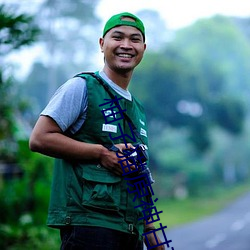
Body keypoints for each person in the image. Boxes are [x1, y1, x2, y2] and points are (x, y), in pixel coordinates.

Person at [29, 12, 164, 250]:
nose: (126, 45)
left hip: (131, 231)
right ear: (102, 44)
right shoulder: (81, 87)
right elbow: (40, 138)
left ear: (143, 48)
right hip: (89, 228)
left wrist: (152, 234)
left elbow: (138, 173)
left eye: (134, 39)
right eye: (118, 37)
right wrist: (102, 154)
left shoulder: (138, 109)